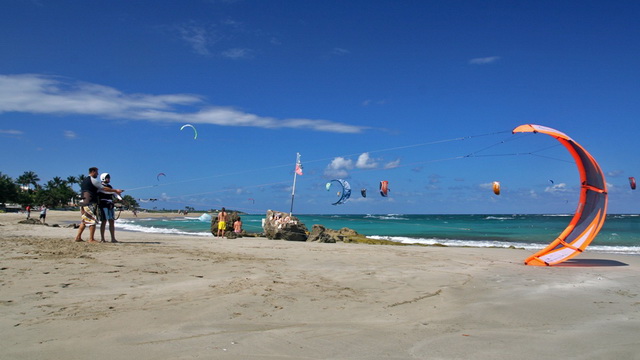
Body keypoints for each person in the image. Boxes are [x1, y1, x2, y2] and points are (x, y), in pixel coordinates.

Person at [75, 167, 123, 243]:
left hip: (83, 202)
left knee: (84, 221)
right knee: (92, 220)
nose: (97, 174)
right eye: (97, 172)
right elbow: (104, 189)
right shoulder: (93, 180)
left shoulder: (84, 180)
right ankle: (91, 239)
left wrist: (117, 195)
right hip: (89, 202)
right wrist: (116, 190)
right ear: (93, 171)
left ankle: (78, 237)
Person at [98, 173, 119, 243]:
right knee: (104, 221)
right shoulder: (100, 186)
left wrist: (119, 197)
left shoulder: (110, 186)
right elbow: (107, 191)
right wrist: (115, 191)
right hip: (103, 205)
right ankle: (102, 239)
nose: (109, 179)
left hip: (110, 205)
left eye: (109, 177)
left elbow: (114, 194)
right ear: (103, 178)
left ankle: (113, 238)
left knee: (112, 221)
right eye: (107, 177)